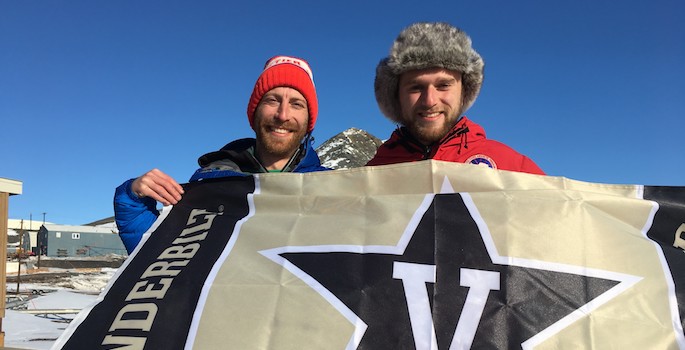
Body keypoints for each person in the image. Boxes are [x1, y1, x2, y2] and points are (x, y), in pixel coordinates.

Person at [114, 55, 328, 253]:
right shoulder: (209, 184)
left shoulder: (332, 191)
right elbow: (156, 259)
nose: (283, 115)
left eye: (296, 104)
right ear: (254, 113)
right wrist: (134, 202)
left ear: (309, 122)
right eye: (272, 100)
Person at [366, 22, 544, 175]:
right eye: (415, 88)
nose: (430, 101)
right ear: (397, 95)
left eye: (443, 85)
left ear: (464, 91)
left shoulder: (513, 168)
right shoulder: (370, 176)